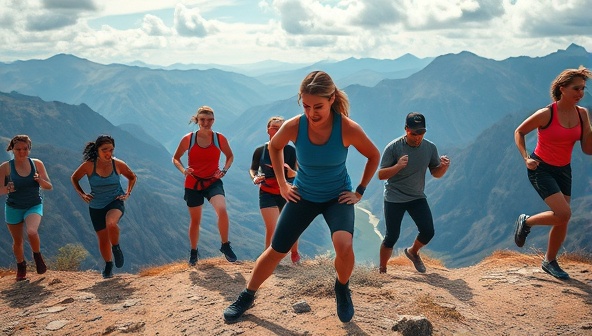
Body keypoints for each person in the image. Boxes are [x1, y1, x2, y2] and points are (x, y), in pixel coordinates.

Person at [224, 70, 380, 323]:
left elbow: (374, 155)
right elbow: (274, 147)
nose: (312, 113)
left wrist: (359, 191)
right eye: (306, 106)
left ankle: (342, 287)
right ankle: (247, 295)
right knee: (277, 250)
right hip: (303, 195)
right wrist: (284, 185)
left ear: (332, 99)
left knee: (344, 246)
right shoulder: (296, 125)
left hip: (336, 197)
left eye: (318, 106)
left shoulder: (347, 128)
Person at [513, 66, 592, 280]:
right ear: (562, 88)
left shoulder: (582, 114)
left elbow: (587, 149)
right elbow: (519, 131)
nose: (580, 93)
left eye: (583, 89)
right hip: (541, 168)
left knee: (562, 219)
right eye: (576, 88)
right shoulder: (546, 114)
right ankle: (526, 222)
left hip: (564, 170)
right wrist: (526, 157)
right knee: (564, 214)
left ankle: (549, 261)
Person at [377, 112, 450, 274]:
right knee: (391, 237)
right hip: (394, 197)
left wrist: (443, 168)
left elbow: (435, 173)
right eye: (414, 133)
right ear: (406, 130)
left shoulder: (430, 148)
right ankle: (382, 270)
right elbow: (381, 175)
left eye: (421, 133)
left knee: (428, 231)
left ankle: (413, 252)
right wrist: (397, 167)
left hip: (416, 196)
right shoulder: (394, 147)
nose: (418, 137)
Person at [172, 105, 237, 266]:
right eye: (202, 120)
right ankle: (194, 252)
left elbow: (229, 156)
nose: (206, 123)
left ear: (213, 121)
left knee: (221, 209)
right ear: (197, 120)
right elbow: (175, 158)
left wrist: (224, 170)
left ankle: (225, 245)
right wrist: (183, 170)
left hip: (213, 181)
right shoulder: (189, 139)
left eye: (209, 120)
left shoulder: (219, 138)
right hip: (193, 183)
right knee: (196, 220)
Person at [71, 135, 137, 279]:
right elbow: (74, 178)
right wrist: (82, 194)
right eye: (104, 150)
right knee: (102, 238)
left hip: (115, 201)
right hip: (96, 205)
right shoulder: (89, 165)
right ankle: (108, 265)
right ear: (97, 150)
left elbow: (132, 177)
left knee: (111, 222)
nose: (108, 153)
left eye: (111, 150)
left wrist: (127, 193)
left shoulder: (117, 164)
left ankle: (116, 247)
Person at [249, 116, 301, 264]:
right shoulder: (260, 151)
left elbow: (300, 173)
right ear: (268, 130)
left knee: (292, 226)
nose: (278, 130)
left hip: (289, 192)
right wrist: (255, 177)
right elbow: (253, 169)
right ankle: (267, 260)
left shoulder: (291, 151)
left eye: (281, 127)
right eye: (274, 127)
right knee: (271, 228)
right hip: (267, 192)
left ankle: (294, 252)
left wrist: (292, 172)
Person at [1, 135, 52, 281]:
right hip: (13, 207)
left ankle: (37, 257)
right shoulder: (5, 167)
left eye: (25, 149)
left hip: (34, 204)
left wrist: (39, 180)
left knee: (32, 231)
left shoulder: (36, 164)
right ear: (12, 149)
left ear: (29, 149)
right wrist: (8, 188)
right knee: (18, 241)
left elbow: (49, 185)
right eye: (18, 149)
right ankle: (21, 266)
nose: (22, 152)